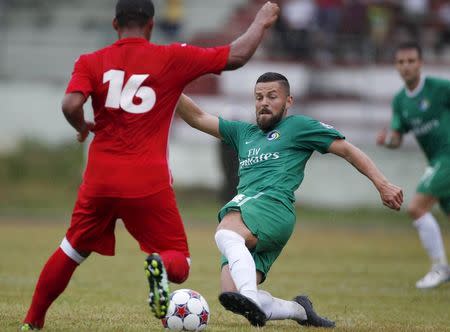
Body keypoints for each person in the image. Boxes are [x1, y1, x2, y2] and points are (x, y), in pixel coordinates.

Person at [20, 0, 280, 330]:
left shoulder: (91, 61)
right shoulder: (170, 57)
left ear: (115, 25)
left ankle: (32, 322)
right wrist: (261, 20)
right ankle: (159, 262)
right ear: (152, 25)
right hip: (147, 181)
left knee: (71, 250)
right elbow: (236, 56)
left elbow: (70, 103)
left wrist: (81, 126)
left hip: (99, 180)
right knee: (178, 259)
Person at [176, 72, 403, 328]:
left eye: (272, 96)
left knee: (226, 231)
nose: (264, 102)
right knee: (233, 292)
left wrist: (382, 184)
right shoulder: (243, 132)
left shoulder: (298, 127)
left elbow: (347, 150)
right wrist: (170, 86)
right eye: (259, 97)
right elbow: (196, 117)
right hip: (255, 217)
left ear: (288, 101)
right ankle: (299, 310)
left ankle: (250, 297)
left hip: (272, 208)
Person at [376, 41, 450, 289]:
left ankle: (440, 267)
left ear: (420, 63)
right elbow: (396, 138)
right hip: (436, 161)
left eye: (410, 61)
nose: (406, 66)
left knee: (417, 208)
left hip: (447, 158)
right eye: (401, 62)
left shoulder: (439, 88)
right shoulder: (400, 102)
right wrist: (387, 140)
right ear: (396, 67)